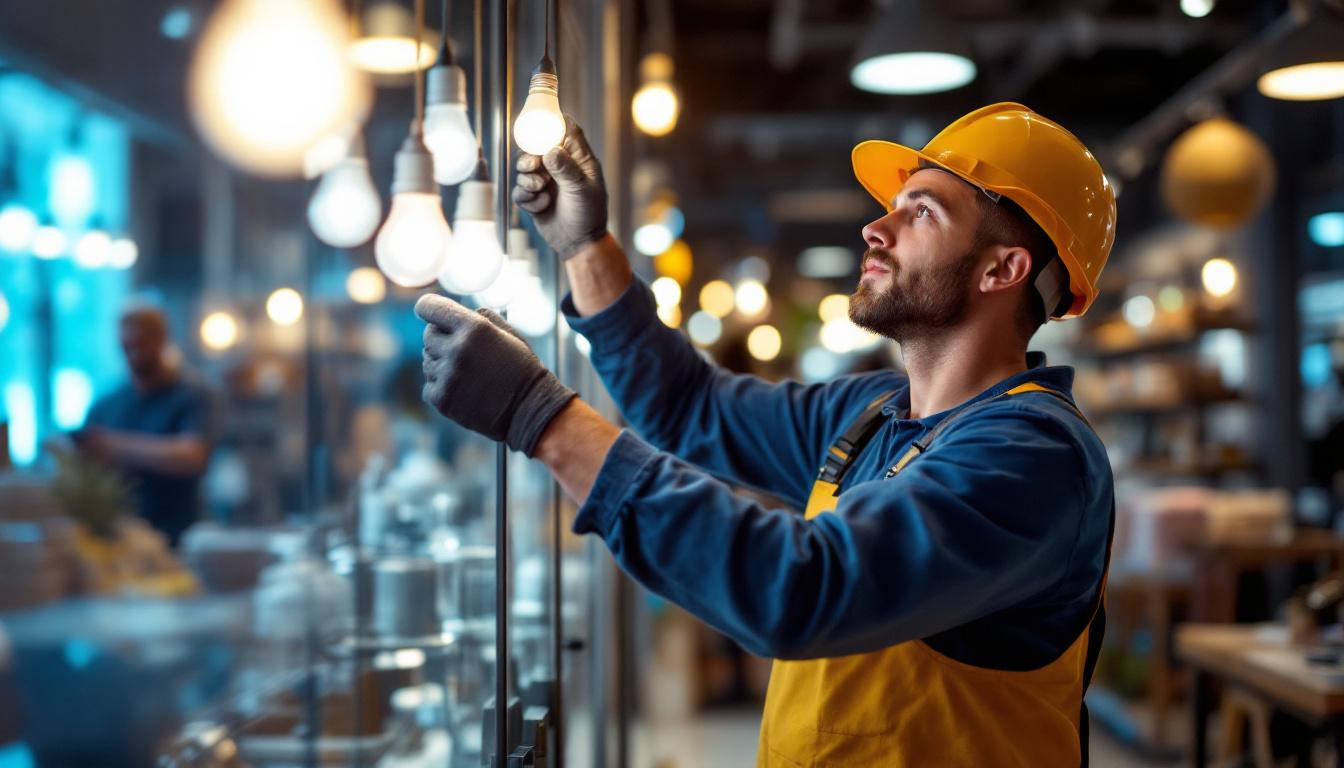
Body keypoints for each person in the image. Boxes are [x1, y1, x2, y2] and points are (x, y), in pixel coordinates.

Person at [417, 102, 1118, 766]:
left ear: (1004, 269)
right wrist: (584, 246)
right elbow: (690, 404)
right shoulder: (874, 413)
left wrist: (541, 417)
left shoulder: (1035, 457)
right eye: (893, 208)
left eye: (922, 211)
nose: (878, 229)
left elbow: (803, 589)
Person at [78, 304, 214, 547]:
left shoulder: (192, 395)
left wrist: (115, 446)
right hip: (119, 543)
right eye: (127, 347)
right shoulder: (105, 406)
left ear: (162, 341)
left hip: (178, 538)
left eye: (141, 344)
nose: (134, 354)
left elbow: (192, 455)